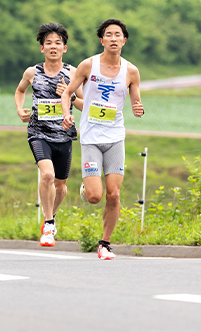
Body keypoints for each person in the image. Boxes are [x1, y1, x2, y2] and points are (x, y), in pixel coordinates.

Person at [62, 18, 144, 260]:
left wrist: (138, 108)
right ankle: (86, 187)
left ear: (124, 40)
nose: (113, 39)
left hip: (115, 137)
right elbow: (68, 93)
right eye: (108, 35)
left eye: (118, 35)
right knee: (95, 196)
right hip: (90, 137)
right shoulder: (88, 66)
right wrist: (67, 114)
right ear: (102, 40)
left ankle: (105, 243)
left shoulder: (131, 71)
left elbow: (136, 100)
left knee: (114, 194)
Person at [15, 23, 83, 247]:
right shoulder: (32, 72)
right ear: (42, 48)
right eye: (49, 43)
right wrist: (20, 109)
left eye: (58, 43)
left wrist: (70, 97)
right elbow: (20, 90)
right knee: (47, 176)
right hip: (38, 132)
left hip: (64, 135)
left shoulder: (72, 73)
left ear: (65, 48)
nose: (53, 47)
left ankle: (48, 220)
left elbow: (85, 104)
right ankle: (50, 222)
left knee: (61, 186)